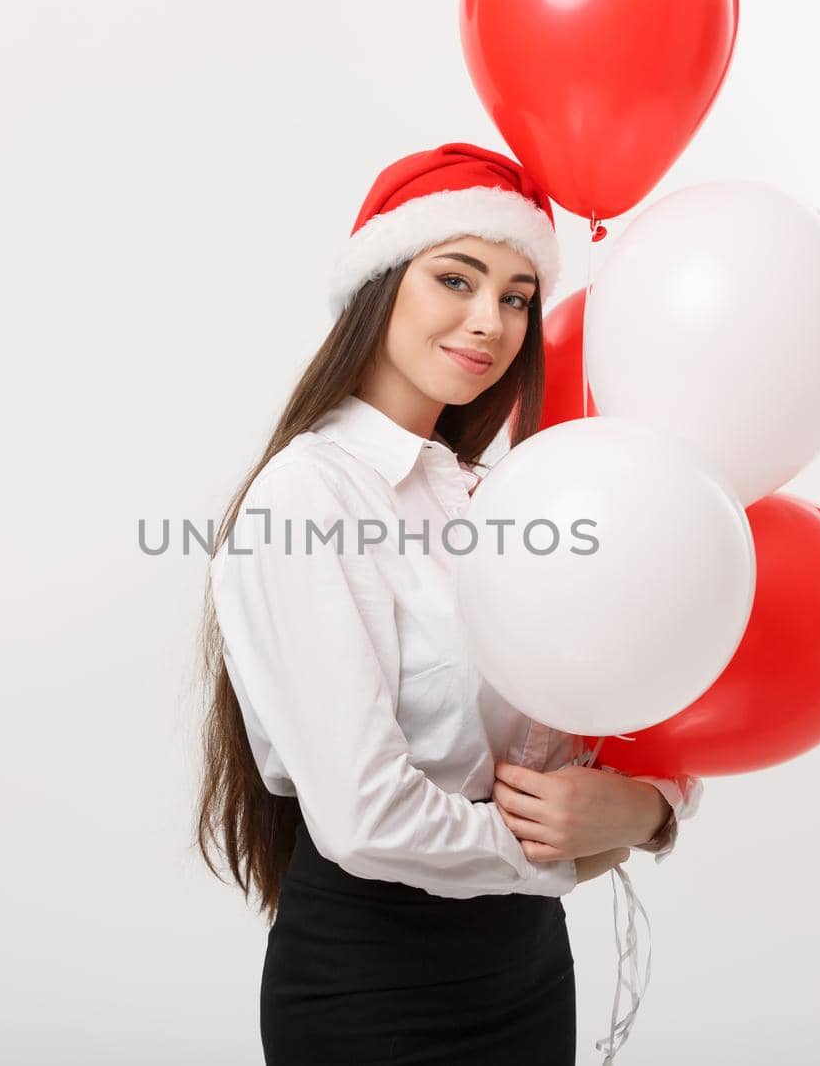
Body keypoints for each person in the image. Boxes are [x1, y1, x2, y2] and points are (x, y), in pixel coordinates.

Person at [193, 142, 703, 1065]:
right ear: (382, 284)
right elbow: (364, 816)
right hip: (375, 986)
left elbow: (601, 709)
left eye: (515, 296)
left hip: (528, 971)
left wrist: (647, 809)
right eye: (456, 278)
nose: (490, 321)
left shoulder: (500, 495)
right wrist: (557, 857)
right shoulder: (310, 496)